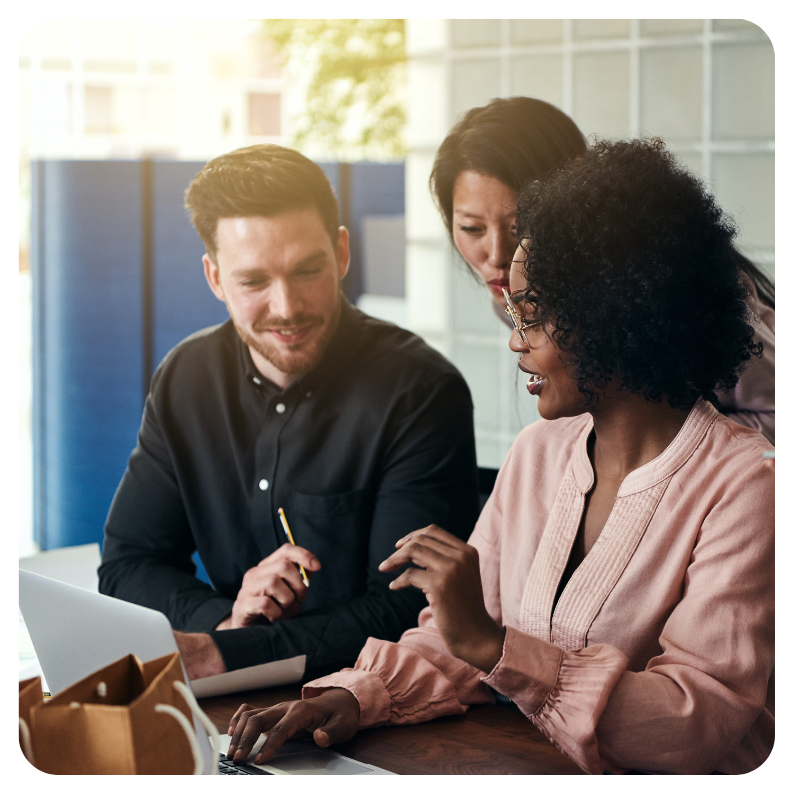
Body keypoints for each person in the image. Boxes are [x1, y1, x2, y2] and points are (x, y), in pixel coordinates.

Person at [224, 139, 774, 775]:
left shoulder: (745, 484)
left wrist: (493, 645)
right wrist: (353, 695)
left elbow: (696, 720)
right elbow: (458, 643)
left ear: (618, 315)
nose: (514, 340)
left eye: (532, 315)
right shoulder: (538, 454)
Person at [98, 144, 480, 681]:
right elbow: (128, 562)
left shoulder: (420, 390)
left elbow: (407, 610)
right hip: (234, 695)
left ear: (341, 253)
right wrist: (224, 620)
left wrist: (230, 652)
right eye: (254, 282)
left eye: (306, 270)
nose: (286, 307)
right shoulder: (186, 377)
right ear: (215, 279)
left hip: (373, 700)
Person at [431, 96, 775, 444]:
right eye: (472, 229)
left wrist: (647, 450)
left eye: (519, 228)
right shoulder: (510, 296)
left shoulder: (679, 290)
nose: (496, 256)